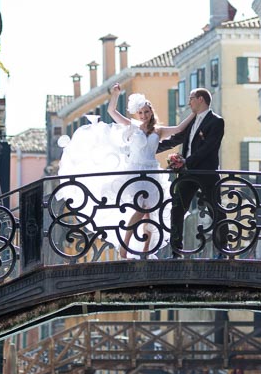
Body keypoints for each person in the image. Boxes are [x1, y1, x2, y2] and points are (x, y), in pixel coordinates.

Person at [57, 83, 194, 255]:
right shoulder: (133, 126)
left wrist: (194, 113)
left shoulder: (158, 131)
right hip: (135, 172)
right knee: (141, 207)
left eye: (146, 112)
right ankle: (125, 245)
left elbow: (179, 129)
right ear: (138, 114)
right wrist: (115, 94)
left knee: (151, 214)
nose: (144, 115)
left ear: (151, 112)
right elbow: (112, 112)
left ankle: (146, 250)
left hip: (152, 173)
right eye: (141, 112)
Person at [157, 87, 224, 253]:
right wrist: (152, 148)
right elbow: (176, 139)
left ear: (201, 99)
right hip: (187, 173)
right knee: (177, 207)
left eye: (191, 98)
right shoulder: (191, 122)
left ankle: (223, 248)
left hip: (206, 172)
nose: (189, 102)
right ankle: (176, 249)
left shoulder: (216, 121)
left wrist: (187, 160)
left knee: (216, 209)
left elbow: (209, 147)